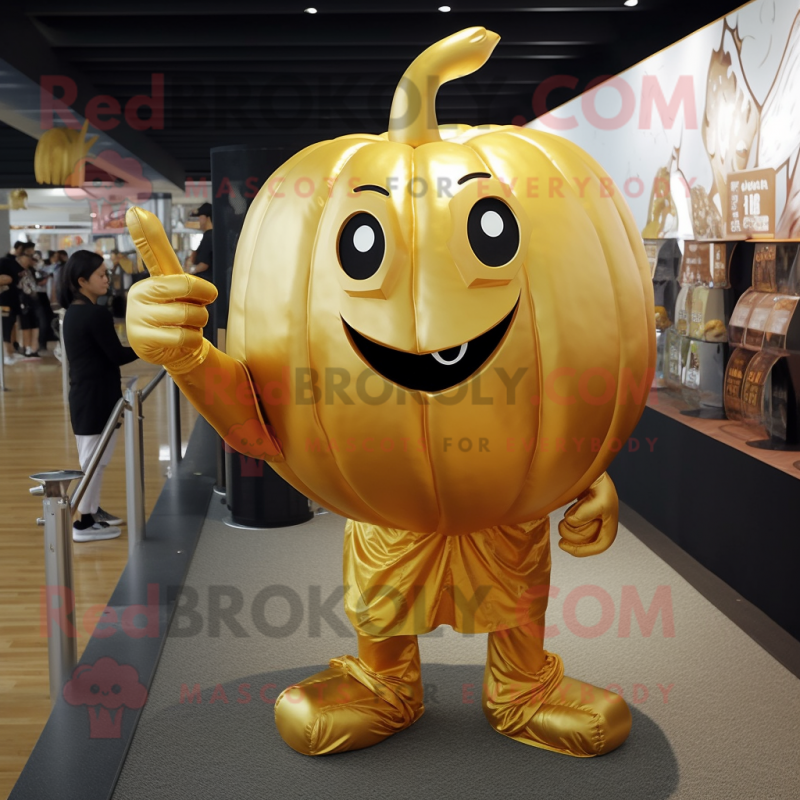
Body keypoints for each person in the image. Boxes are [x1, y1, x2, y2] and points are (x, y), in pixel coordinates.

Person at [59, 250, 138, 542]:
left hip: (90, 395)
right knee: (93, 460)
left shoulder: (76, 311)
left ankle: (90, 512)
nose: (107, 280)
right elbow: (116, 354)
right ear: (82, 280)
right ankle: (83, 523)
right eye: (101, 275)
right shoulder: (94, 313)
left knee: (95, 459)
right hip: (94, 398)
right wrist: (153, 348)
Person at [184, 202, 213, 279]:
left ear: (207, 218)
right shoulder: (212, 235)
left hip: (207, 281)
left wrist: (191, 272)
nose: (199, 220)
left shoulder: (209, 236)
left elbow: (204, 264)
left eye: (200, 217)